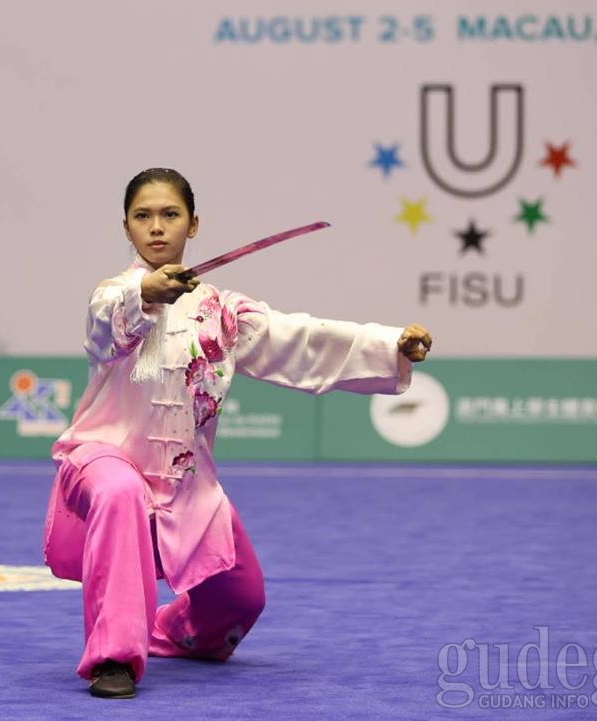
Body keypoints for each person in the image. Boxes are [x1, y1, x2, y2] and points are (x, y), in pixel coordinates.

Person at [42, 168, 433, 699]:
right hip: (103, 459)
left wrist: (390, 345)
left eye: (170, 215)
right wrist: (146, 293)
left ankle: (169, 631)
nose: (157, 227)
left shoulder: (223, 313)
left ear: (193, 224)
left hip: (185, 482)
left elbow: (301, 340)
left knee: (240, 601)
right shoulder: (112, 296)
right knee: (120, 491)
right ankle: (114, 659)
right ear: (127, 229)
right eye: (143, 217)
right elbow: (106, 327)